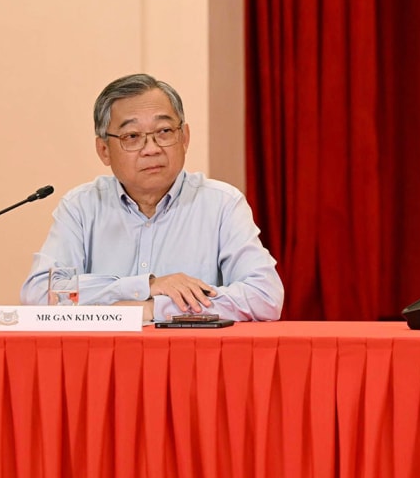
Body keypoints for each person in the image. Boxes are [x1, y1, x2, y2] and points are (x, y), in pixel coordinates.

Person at [21, 74, 284, 322]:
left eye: (164, 132)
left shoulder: (221, 204)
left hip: (190, 363)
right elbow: (39, 293)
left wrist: (153, 308)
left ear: (184, 138)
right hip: (102, 363)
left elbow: (265, 296)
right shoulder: (81, 207)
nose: (152, 149)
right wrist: (146, 286)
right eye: (132, 137)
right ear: (104, 150)